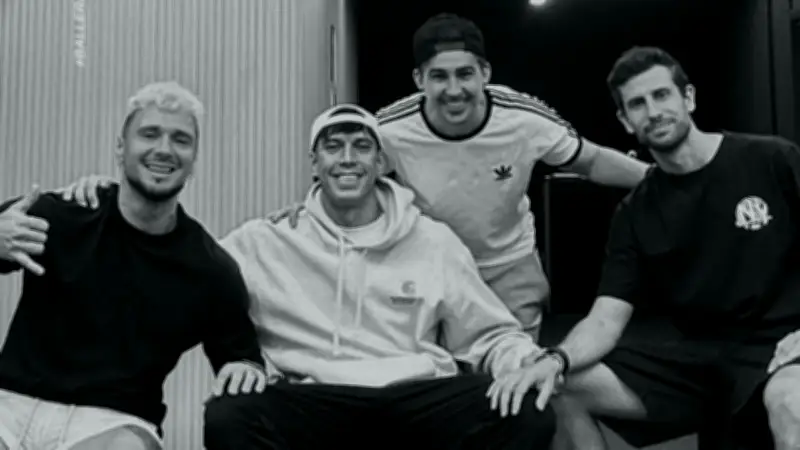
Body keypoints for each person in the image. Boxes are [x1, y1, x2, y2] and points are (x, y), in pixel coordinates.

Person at [261, 13, 651, 341]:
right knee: (438, 379)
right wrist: (308, 211)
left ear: (485, 73)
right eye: (439, 77)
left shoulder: (524, 118)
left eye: (465, 74)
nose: (454, 90)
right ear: (419, 79)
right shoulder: (390, 129)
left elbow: (591, 161)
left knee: (516, 379)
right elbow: (349, 176)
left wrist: (660, 177)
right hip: (427, 265)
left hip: (508, 267)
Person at [487, 46, 800, 450]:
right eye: (637, 104)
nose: (653, 111)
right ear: (625, 121)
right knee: (561, 388)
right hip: (699, 361)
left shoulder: (772, 159)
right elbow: (605, 320)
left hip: (784, 344)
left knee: (791, 400)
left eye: (661, 95)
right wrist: (554, 360)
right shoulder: (636, 212)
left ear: (688, 98)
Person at [196, 104, 557, 449]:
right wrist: (242, 359)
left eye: (361, 146)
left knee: (525, 411)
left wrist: (525, 360)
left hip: (414, 400)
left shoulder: (432, 240)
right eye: (333, 147)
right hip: (315, 400)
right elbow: (197, 281)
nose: (347, 158)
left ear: (381, 162)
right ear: (315, 164)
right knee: (229, 414)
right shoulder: (266, 240)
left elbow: (488, 334)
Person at [0, 82, 265, 450]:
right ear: (120, 148)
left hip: (112, 424)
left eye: (181, 140)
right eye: (149, 134)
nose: (164, 149)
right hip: (9, 406)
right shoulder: (60, 215)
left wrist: (243, 367)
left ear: (193, 160)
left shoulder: (209, 269)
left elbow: (240, 357)